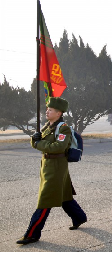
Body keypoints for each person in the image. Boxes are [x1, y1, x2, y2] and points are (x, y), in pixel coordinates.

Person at [17, 97, 87, 245]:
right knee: (64, 196)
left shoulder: (63, 128)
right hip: (47, 165)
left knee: (45, 200)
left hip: (57, 167)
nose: (47, 111)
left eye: (51, 110)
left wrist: (38, 143)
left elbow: (58, 147)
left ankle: (32, 234)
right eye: (47, 109)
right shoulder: (47, 126)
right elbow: (37, 141)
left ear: (59, 113)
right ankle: (79, 217)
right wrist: (33, 139)